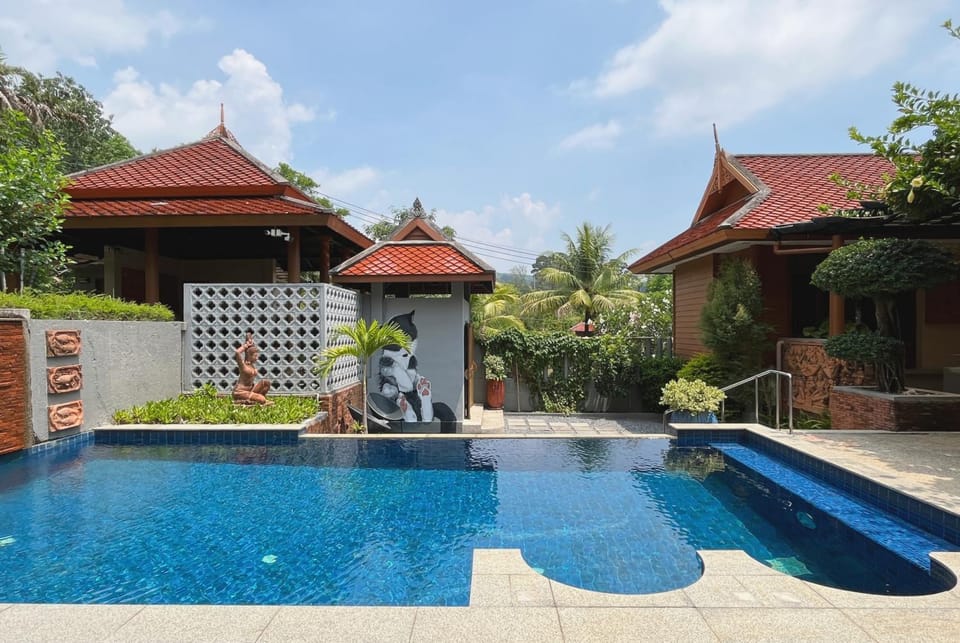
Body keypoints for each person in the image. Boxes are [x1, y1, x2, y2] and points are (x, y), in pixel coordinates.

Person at [233, 331, 273, 405]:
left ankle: (256, 400)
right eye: (255, 356)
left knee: (266, 383)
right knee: (261, 399)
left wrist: (250, 342)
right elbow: (237, 353)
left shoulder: (251, 365)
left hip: (250, 390)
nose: (257, 358)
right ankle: (248, 401)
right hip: (240, 392)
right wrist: (246, 345)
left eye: (257, 356)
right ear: (249, 356)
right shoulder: (243, 365)